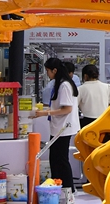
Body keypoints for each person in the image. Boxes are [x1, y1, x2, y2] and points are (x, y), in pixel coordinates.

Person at [34, 57, 80, 191]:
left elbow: (67, 109)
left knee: (60, 160)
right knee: (55, 160)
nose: (47, 74)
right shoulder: (61, 83)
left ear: (55, 70)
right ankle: (58, 187)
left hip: (63, 128)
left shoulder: (65, 85)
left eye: (48, 70)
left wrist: (45, 113)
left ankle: (67, 189)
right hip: (59, 128)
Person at [78, 63, 110, 128]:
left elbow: (74, 106)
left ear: (85, 76)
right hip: (104, 120)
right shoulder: (107, 86)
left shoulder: (80, 89)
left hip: (87, 122)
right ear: (97, 75)